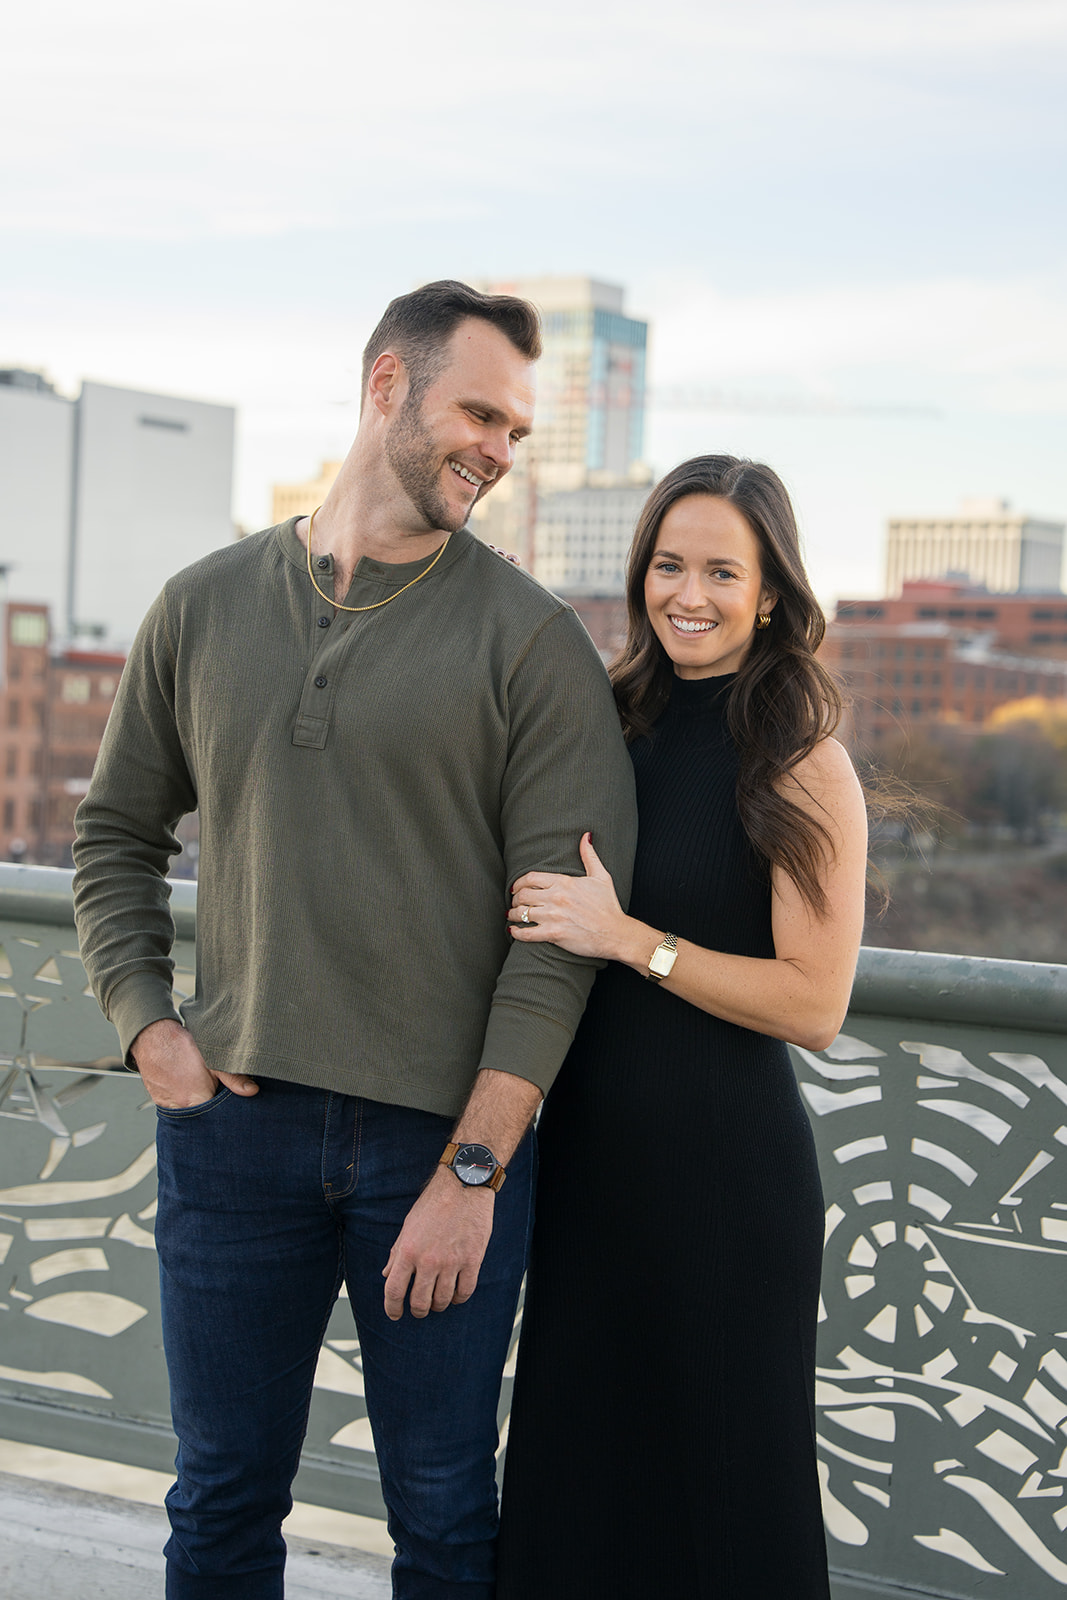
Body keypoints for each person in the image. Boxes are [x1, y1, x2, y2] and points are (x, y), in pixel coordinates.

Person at [72, 280, 637, 1599]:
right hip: (232, 1128)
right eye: (478, 412)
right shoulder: (202, 605)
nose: (499, 450)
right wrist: (149, 1030)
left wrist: (475, 1170)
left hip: (436, 1150)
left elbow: (557, 944)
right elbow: (113, 835)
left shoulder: (531, 644)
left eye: (516, 431)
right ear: (386, 384)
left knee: (441, 1515)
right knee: (218, 1502)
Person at [496, 455, 868, 1599]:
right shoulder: (598, 720)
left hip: (725, 1185)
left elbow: (813, 1003)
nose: (688, 594)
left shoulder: (800, 760)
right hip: (588, 1171)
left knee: (724, 1503)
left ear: (769, 592)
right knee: (573, 1490)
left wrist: (629, 939)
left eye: (720, 570)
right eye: (667, 564)